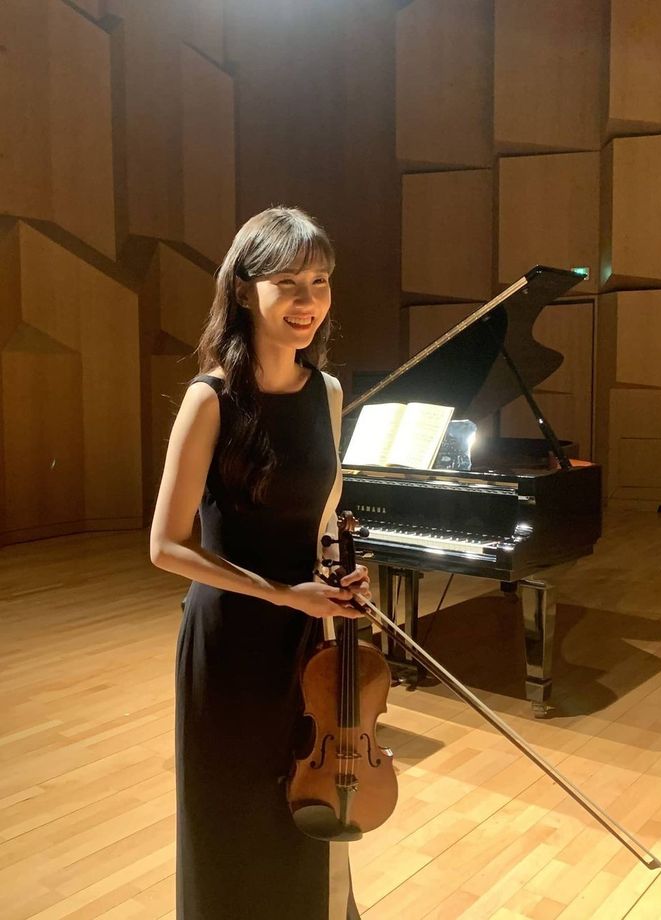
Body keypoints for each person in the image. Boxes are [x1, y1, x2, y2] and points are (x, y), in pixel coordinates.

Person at [149, 206, 370, 919]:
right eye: (288, 283)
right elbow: (166, 546)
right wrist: (286, 594)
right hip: (228, 641)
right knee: (230, 816)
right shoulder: (210, 399)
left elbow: (323, 517)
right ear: (245, 291)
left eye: (321, 282)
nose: (309, 303)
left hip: (304, 641)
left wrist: (337, 575)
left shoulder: (328, 394)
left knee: (303, 805)